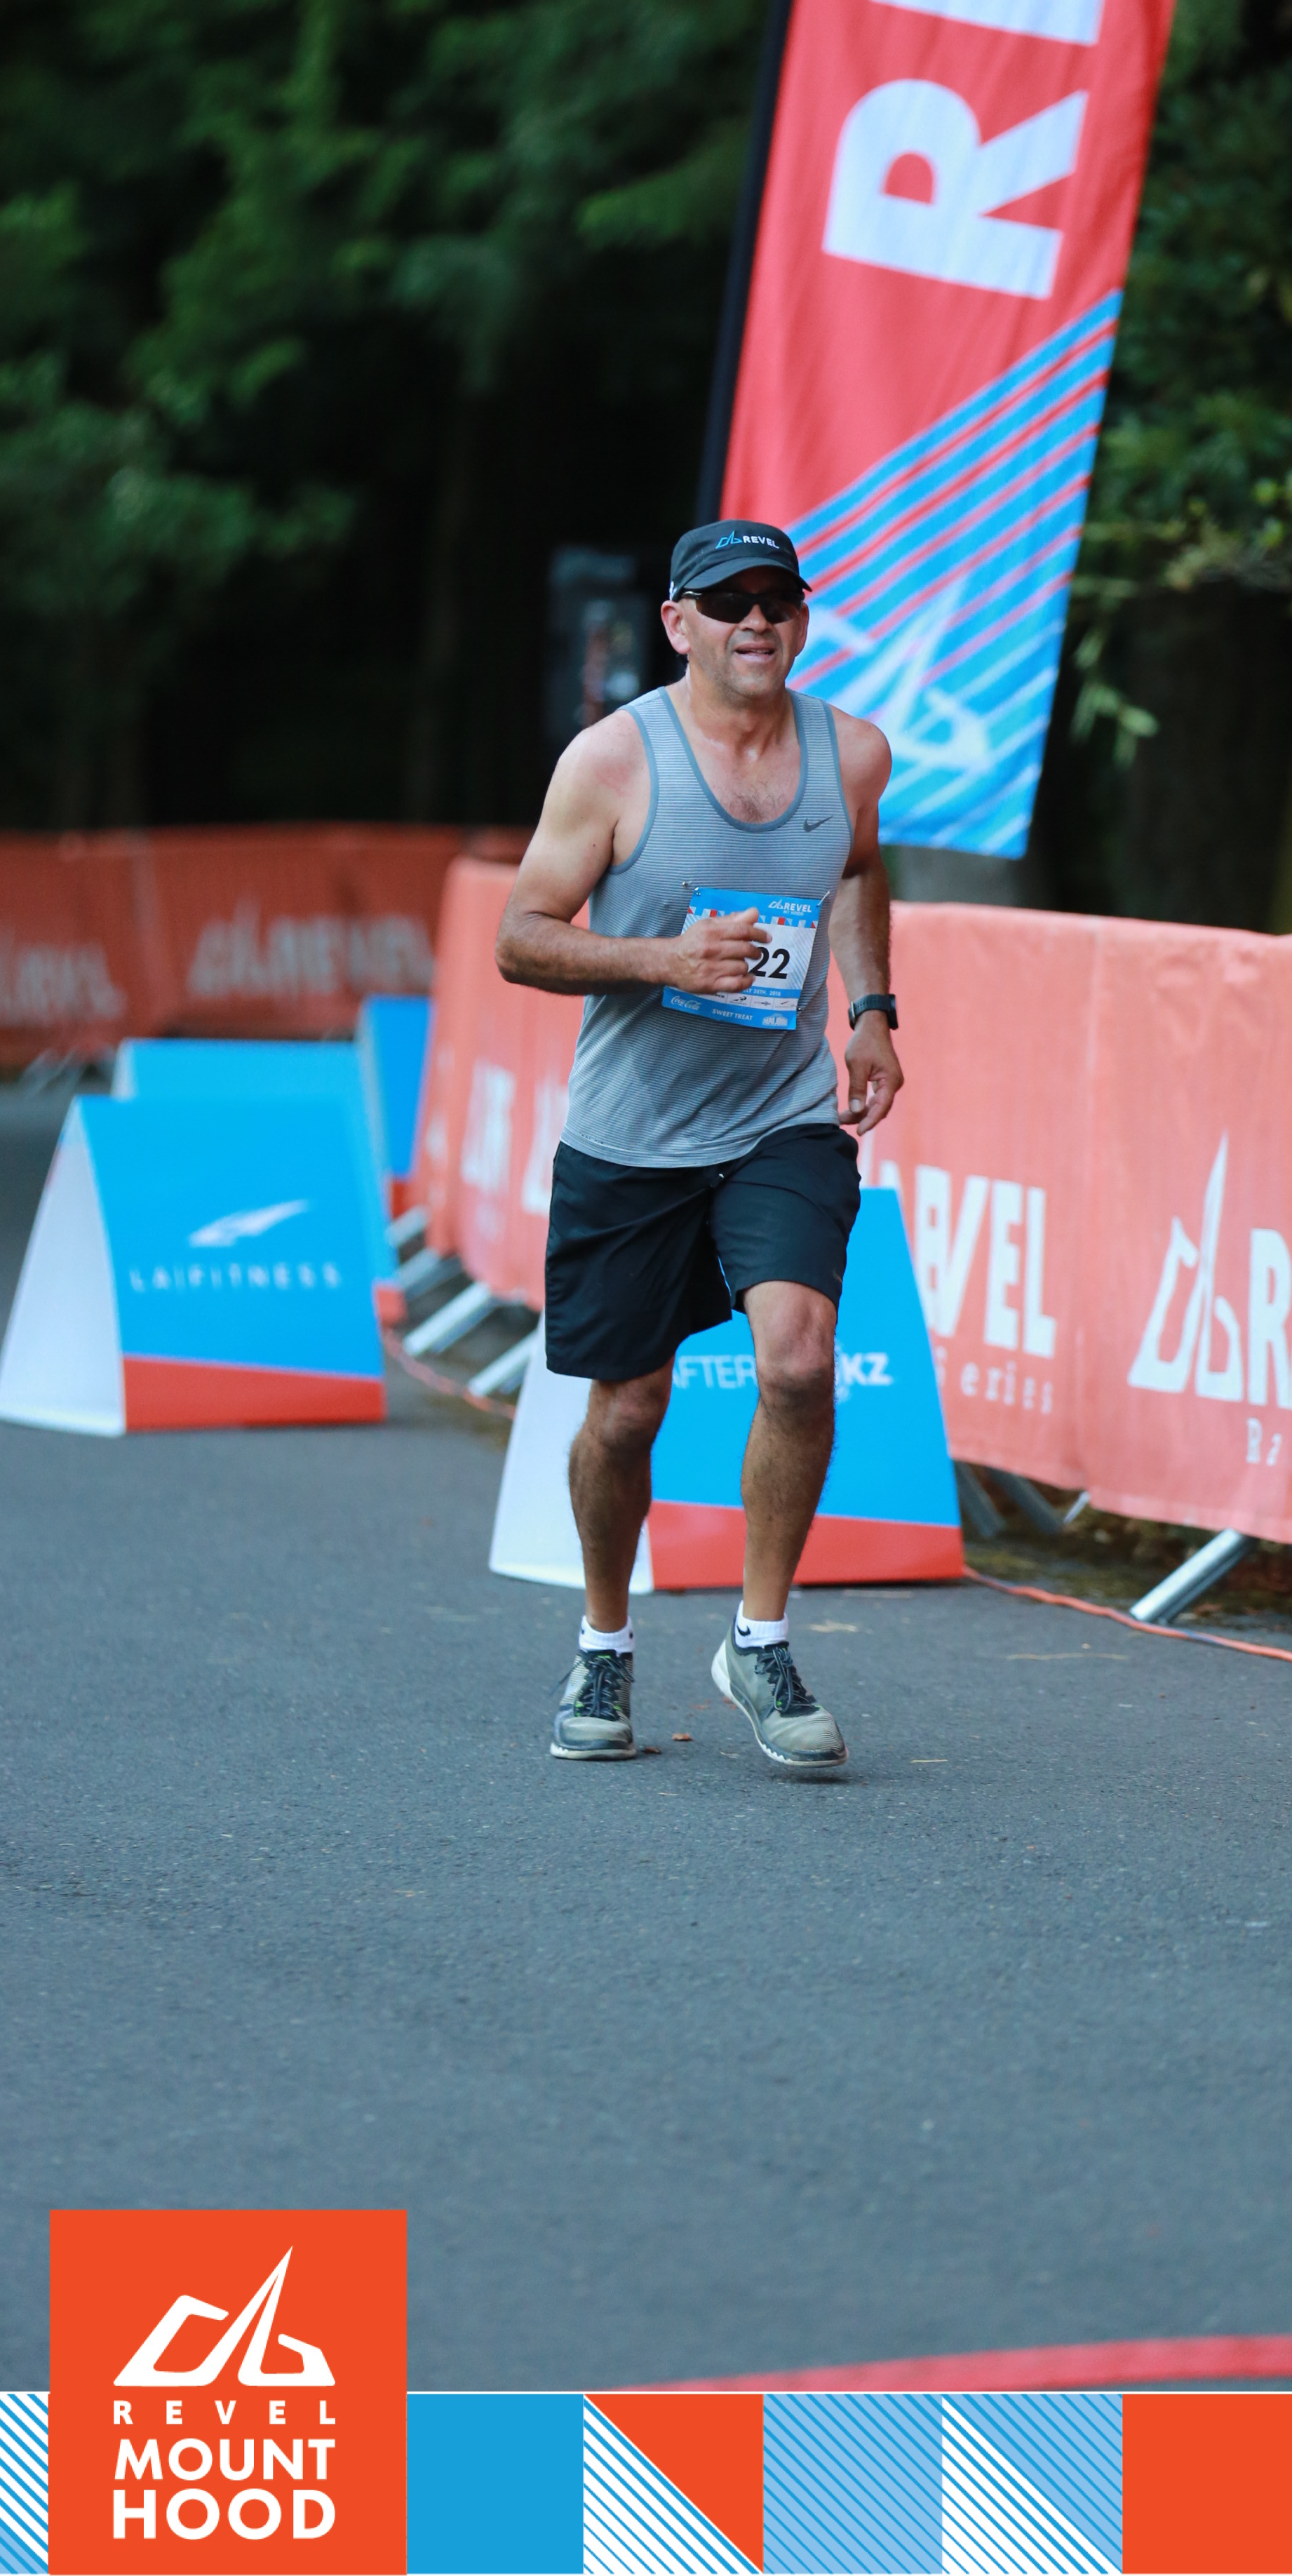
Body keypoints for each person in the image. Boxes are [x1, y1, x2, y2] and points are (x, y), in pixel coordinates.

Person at [494, 518, 903, 1773]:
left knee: (800, 1359)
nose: (756, 621)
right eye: (728, 601)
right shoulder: (613, 762)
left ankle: (759, 1641)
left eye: (778, 599)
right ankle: (604, 1644)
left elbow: (858, 868)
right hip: (633, 1134)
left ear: (802, 618)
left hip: (781, 1117)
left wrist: (872, 1012)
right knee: (628, 1412)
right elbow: (521, 936)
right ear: (678, 623)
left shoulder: (853, 752)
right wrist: (664, 960)